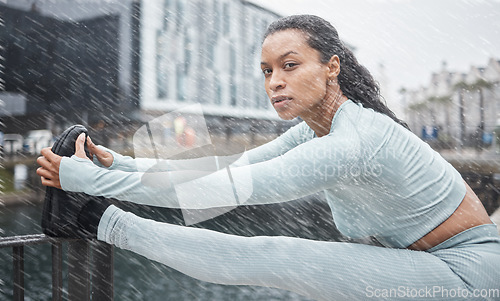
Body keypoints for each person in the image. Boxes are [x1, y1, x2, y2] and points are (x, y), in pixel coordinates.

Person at [36, 15, 500, 301]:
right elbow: (227, 170)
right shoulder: (316, 129)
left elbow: (226, 192)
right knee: (279, 250)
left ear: (332, 66)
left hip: (465, 276)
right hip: (433, 265)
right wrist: (115, 164)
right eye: (267, 71)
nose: (274, 82)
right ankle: (95, 211)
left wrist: (81, 180)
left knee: (282, 255)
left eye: (290, 65)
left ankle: (97, 221)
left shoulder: (353, 142)